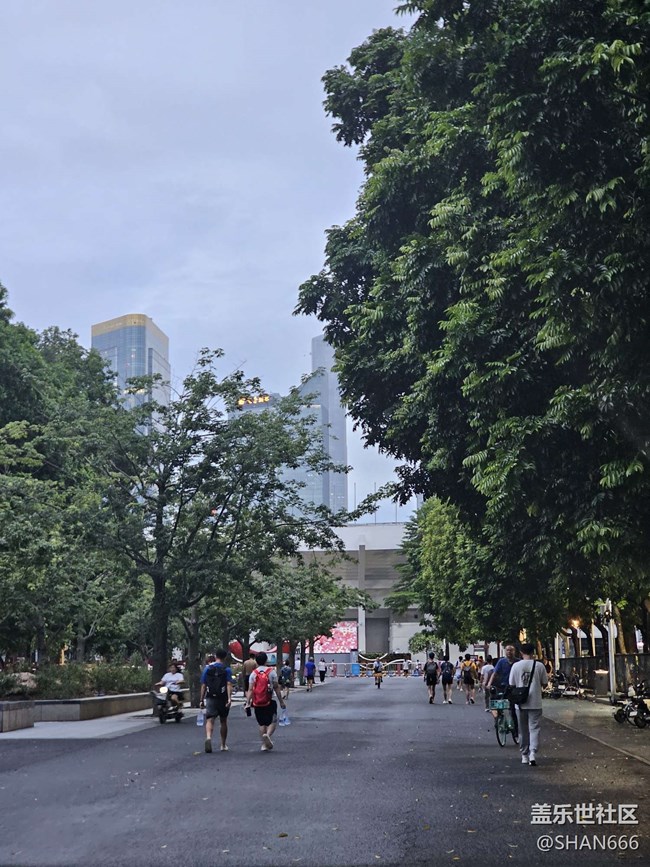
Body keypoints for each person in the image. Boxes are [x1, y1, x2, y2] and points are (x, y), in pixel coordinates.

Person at [509, 643, 548, 766]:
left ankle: (524, 755)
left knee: (522, 729)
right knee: (534, 728)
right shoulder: (539, 666)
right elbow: (545, 683)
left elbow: (512, 683)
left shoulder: (516, 666)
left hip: (520, 703)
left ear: (521, 652)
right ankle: (533, 753)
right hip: (535, 702)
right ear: (533, 652)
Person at [246, 651, 286, 751]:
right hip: (269, 701)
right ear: (266, 660)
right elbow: (276, 688)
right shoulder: (271, 672)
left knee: (261, 723)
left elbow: (250, 689)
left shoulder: (253, 674)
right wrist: (281, 701)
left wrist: (247, 702)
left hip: (257, 702)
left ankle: (264, 744)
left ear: (256, 661)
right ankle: (267, 735)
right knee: (273, 721)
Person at [199, 648, 233, 753]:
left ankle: (209, 737)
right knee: (223, 721)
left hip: (210, 697)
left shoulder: (207, 669)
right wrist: (229, 698)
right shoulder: (227, 669)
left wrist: (201, 699)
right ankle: (223, 744)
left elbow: (203, 685)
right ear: (225, 657)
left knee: (210, 719)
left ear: (215, 656)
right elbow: (229, 684)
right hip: (222, 697)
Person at [488, 644, 519, 737]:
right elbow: (495, 673)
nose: (509, 652)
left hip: (514, 687)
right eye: (507, 650)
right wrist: (489, 683)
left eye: (511, 650)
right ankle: (499, 719)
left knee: (512, 709)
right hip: (502, 686)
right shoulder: (501, 662)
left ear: (514, 651)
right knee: (498, 703)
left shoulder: (518, 662)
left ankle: (515, 730)